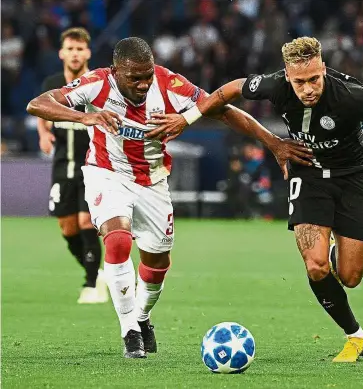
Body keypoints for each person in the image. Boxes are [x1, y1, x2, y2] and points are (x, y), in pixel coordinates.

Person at [142, 36, 363, 362]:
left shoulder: (350, 95)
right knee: (315, 266)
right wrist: (187, 119)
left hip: (353, 177)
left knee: (350, 276)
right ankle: (355, 335)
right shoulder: (274, 85)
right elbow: (226, 92)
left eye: (314, 79)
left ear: (323, 68)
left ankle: (335, 253)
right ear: (287, 75)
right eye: (300, 82)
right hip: (308, 174)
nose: (309, 89)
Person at [27, 37, 312, 359]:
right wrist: (85, 117)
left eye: (147, 75)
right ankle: (129, 331)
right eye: (135, 77)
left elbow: (222, 110)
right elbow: (38, 103)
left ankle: (142, 317)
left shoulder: (169, 84)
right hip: (106, 173)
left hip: (153, 182)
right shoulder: (96, 84)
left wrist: (272, 141)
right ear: (116, 72)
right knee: (117, 240)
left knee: (156, 262)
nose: (144, 83)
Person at [36, 27, 107, 304]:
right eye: (71, 49)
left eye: (80, 49)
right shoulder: (52, 84)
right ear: (62, 52)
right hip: (62, 165)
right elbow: (42, 110)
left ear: (88, 52)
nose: (75, 54)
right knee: (67, 227)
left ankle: (91, 285)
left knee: (85, 220)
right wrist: (43, 133)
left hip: (92, 167)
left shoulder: (96, 84)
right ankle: (96, 273)